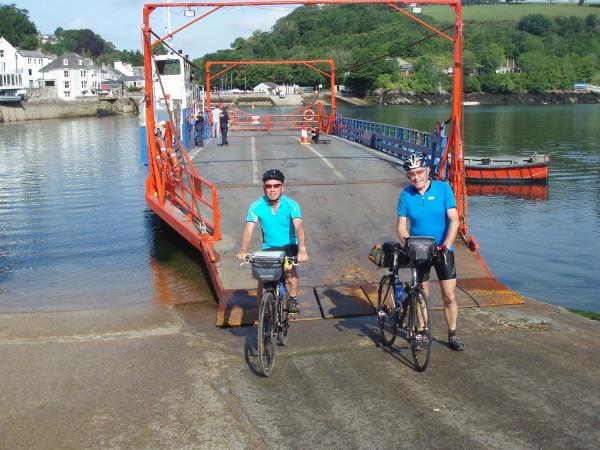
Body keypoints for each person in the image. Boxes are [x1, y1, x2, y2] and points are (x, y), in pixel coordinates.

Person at [396, 153, 464, 351]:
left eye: (419, 172)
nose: (416, 177)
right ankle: (421, 332)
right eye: (411, 174)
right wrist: (408, 244)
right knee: (421, 293)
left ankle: (452, 334)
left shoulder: (443, 189)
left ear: (427, 171)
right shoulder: (406, 195)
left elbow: (454, 220)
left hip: (443, 249)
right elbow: (401, 225)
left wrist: (445, 245)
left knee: (449, 295)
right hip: (419, 250)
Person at [236, 169, 308, 314]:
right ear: (264, 188)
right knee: (262, 279)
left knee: (288, 272)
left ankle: (293, 300)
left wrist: (302, 249)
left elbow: (299, 227)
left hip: (289, 246)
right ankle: (262, 313)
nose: (272, 189)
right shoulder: (256, 206)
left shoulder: (291, 205)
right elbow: (248, 229)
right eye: (269, 186)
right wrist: (243, 249)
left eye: (276, 185)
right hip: (269, 247)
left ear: (283, 187)